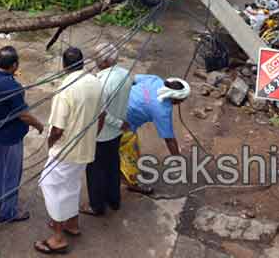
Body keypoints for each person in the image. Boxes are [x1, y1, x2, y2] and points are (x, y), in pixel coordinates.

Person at [36, 47, 105, 255]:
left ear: (64, 65)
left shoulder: (66, 89)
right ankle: (72, 224)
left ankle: (57, 238)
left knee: (50, 185)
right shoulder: (95, 81)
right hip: (85, 148)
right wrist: (92, 136)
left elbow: (57, 128)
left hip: (65, 151)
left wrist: (51, 144)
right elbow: (102, 115)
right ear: (82, 62)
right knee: (72, 185)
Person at [0, 46, 44, 224]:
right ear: (14, 65)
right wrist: (39, 125)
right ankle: (8, 212)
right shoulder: (13, 87)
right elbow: (23, 114)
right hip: (11, 137)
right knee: (11, 174)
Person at [81, 43, 131, 216]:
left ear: (103, 62)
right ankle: (114, 200)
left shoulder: (101, 83)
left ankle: (96, 206)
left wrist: (117, 123)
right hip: (116, 133)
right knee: (112, 164)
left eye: (96, 59)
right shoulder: (125, 74)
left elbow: (101, 114)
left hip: (102, 134)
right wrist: (121, 123)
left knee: (95, 170)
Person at [121, 76, 191, 191]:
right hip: (121, 123)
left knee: (132, 145)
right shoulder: (162, 110)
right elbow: (169, 139)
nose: (181, 103)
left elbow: (133, 79)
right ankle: (132, 183)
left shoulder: (155, 80)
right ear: (175, 99)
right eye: (182, 100)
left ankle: (134, 170)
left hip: (118, 103)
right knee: (125, 150)